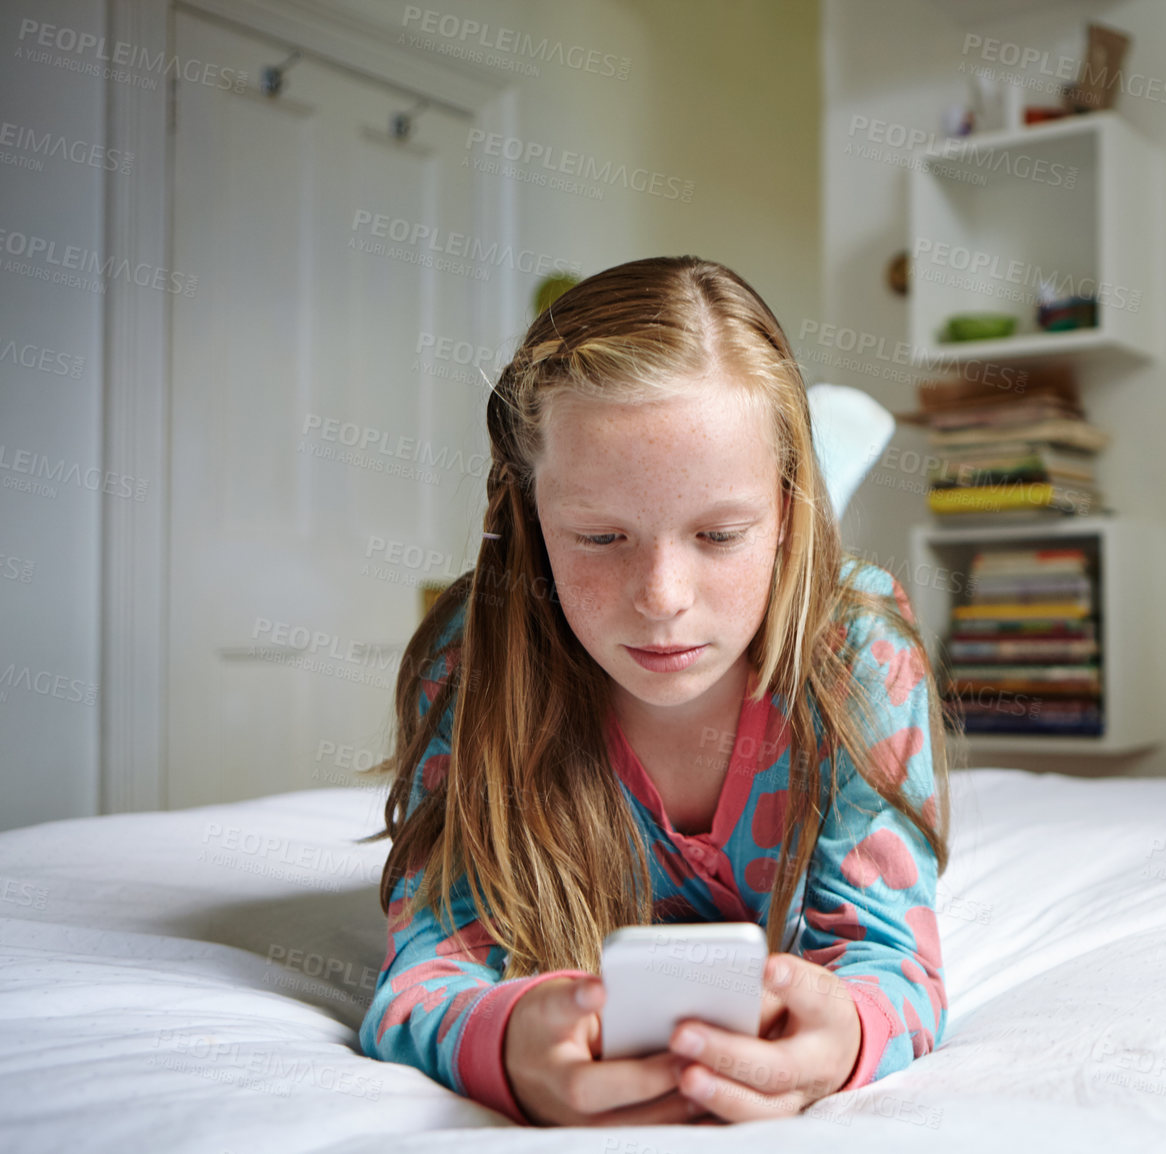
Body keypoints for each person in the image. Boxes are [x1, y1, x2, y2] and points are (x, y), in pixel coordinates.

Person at [354, 255, 951, 1127]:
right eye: (600, 537)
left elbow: (889, 957)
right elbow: (428, 969)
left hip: (804, 583)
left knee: (817, 584)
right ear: (528, 518)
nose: (662, 597)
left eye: (718, 532)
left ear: (782, 515)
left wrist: (848, 1033)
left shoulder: (859, 647)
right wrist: (509, 1039)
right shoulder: (475, 656)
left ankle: (827, 464)